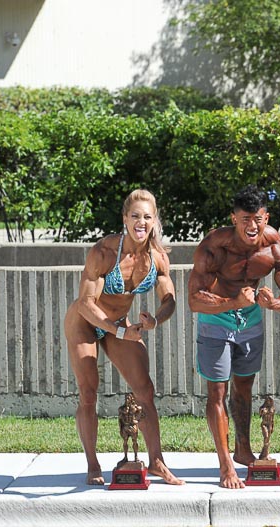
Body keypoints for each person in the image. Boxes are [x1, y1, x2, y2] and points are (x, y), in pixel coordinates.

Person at [63, 189, 183, 486]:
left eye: (147, 217)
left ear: (154, 220)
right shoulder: (104, 252)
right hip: (85, 322)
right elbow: (86, 304)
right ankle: (93, 464)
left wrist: (156, 319)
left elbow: (169, 300)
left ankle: (156, 461)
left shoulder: (158, 258)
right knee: (88, 392)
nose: (141, 222)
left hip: (119, 324)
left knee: (145, 390)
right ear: (125, 219)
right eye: (135, 216)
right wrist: (119, 331)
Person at [188, 185, 280, 488]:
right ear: (233, 218)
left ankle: (243, 449)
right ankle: (225, 464)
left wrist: (275, 303)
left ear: (266, 217)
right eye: (245, 219)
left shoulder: (276, 246)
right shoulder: (215, 245)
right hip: (215, 318)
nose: (252, 226)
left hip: (250, 320)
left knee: (244, 387)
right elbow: (194, 299)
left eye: (257, 219)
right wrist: (232, 302)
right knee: (217, 392)